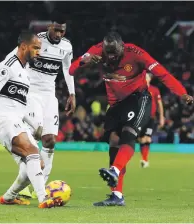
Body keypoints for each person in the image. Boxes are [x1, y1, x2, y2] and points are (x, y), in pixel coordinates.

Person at [69, 31, 193, 206]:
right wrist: (84, 61)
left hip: (138, 98)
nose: (110, 58)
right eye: (107, 54)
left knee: (129, 133)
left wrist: (182, 93)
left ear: (122, 47)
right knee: (113, 142)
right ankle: (117, 195)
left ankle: (115, 169)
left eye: (114, 54)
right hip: (115, 105)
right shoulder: (96, 51)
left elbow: (162, 73)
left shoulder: (136, 54)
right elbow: (71, 69)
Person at [0, 30, 62, 208]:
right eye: (35, 48)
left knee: (36, 164)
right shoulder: (7, 65)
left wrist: (35, 124)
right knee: (32, 153)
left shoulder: (25, 72)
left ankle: (9, 197)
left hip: (15, 118)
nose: (38, 52)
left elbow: (19, 104)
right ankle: (43, 199)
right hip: (1, 118)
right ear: (24, 47)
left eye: (40, 49)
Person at [6, 14, 76, 198]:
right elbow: (17, 57)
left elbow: (68, 70)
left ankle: (40, 187)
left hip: (49, 96)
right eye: (56, 29)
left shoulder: (67, 46)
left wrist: (72, 93)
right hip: (29, 93)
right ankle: (26, 178)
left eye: (63, 30)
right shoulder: (36, 41)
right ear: (49, 26)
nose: (59, 34)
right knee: (33, 137)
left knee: (50, 141)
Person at [138, 72, 165, 168]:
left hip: (150, 118)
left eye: (146, 77)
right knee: (141, 139)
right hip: (140, 118)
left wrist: (161, 117)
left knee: (148, 137)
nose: (144, 79)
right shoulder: (139, 89)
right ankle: (144, 158)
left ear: (150, 79)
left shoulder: (154, 90)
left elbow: (159, 104)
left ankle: (145, 160)